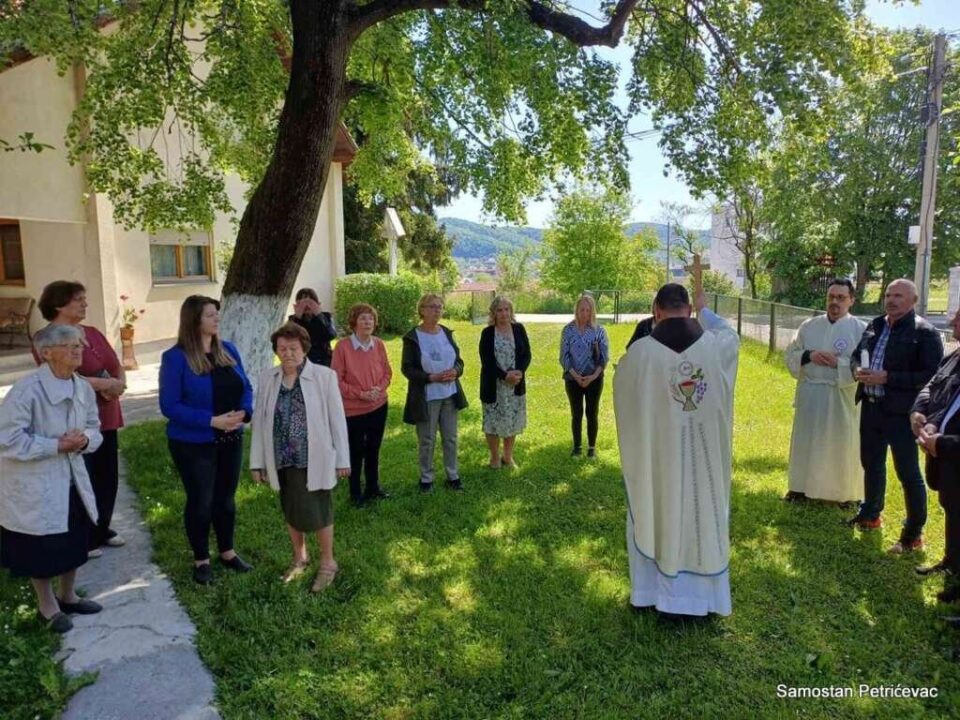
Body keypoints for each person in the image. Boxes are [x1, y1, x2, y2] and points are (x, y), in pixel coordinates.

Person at [614, 284, 739, 618]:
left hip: (660, 463)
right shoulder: (718, 346)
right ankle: (704, 599)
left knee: (658, 507)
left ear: (656, 310)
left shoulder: (639, 355)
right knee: (701, 516)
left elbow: (625, 395)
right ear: (687, 309)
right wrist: (705, 309)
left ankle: (653, 594)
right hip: (704, 464)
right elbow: (728, 332)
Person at [0, 324, 104, 633]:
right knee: (41, 546)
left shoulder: (82, 387)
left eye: (79, 345)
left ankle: (68, 595)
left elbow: (94, 427)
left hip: (71, 477)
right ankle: (47, 606)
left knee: (74, 538)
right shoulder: (26, 390)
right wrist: (56, 445)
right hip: (37, 482)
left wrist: (84, 440)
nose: (78, 350)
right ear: (46, 353)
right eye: (69, 345)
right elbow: (7, 439)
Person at [159, 296, 254, 584]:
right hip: (193, 442)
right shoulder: (175, 358)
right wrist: (212, 421)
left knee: (225, 499)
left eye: (216, 314)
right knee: (201, 500)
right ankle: (201, 559)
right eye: (210, 315)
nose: (217, 319)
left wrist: (244, 412)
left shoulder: (229, 349)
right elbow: (170, 405)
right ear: (194, 320)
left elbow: (245, 387)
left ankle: (227, 551)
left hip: (230, 438)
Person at [250, 322, 350, 591]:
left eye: (293, 348)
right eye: (282, 348)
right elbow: (260, 421)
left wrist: (343, 459)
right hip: (281, 457)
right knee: (290, 507)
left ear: (304, 348)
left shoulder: (324, 376)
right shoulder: (268, 378)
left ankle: (328, 563)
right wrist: (257, 462)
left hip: (314, 457)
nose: (288, 353)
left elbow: (337, 420)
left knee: (320, 509)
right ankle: (300, 557)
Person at [849, 279, 943, 554]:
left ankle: (912, 534)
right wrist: (857, 370)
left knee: (908, 473)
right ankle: (871, 515)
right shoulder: (875, 325)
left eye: (898, 296)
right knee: (871, 464)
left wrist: (887, 377)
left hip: (902, 414)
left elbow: (931, 377)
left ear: (913, 300)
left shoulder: (924, 333)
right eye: (889, 294)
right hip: (871, 406)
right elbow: (857, 355)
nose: (891, 300)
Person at [35, 281, 127, 556]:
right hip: (74, 418)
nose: (85, 304)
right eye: (79, 300)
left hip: (107, 412)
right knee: (81, 476)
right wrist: (101, 386)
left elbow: (115, 363)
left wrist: (118, 383)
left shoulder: (93, 333)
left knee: (107, 475)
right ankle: (84, 536)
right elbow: (56, 375)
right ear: (59, 304)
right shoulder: (47, 338)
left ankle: (102, 527)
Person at [783, 279, 866, 504]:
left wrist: (838, 364)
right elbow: (790, 355)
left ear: (851, 300)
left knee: (839, 444)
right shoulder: (809, 326)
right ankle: (799, 488)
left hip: (840, 396)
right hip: (811, 393)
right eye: (831, 297)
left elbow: (865, 366)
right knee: (806, 442)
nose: (835, 302)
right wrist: (809, 355)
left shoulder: (861, 330)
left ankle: (842, 495)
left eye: (841, 298)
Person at [911, 309, 960, 603]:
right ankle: (952, 564)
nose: (952, 320)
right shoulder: (954, 355)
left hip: (950, 449)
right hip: (947, 457)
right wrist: (923, 414)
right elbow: (934, 388)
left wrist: (943, 442)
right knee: (953, 510)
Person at [402, 293, 468, 492]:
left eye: (439, 306)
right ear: (421, 309)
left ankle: (452, 474)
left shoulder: (446, 333)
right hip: (426, 397)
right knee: (427, 439)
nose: (436, 310)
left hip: (449, 394)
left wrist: (456, 371)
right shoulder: (413, 337)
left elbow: (459, 361)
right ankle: (426, 478)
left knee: (450, 438)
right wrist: (430, 378)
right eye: (431, 306)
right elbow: (407, 369)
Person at [331, 303, 392, 506]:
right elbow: (336, 379)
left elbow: (387, 373)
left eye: (371, 318)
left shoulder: (379, 344)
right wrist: (360, 394)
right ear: (354, 322)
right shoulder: (342, 347)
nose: (368, 322)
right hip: (354, 410)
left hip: (378, 405)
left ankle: (373, 488)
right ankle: (355, 493)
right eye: (363, 318)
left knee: (374, 448)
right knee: (356, 451)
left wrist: (378, 390)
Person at [479, 296, 531, 468]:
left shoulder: (519, 329)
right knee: (492, 421)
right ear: (493, 313)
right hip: (494, 385)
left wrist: (518, 373)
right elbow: (487, 361)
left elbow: (526, 355)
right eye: (500, 310)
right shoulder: (487, 333)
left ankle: (508, 457)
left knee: (512, 419)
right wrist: (504, 376)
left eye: (507, 309)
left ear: (511, 311)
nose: (504, 314)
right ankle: (494, 458)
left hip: (515, 384)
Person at [559, 294, 609, 458]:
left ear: (592, 311)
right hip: (573, 378)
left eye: (588, 310)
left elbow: (604, 357)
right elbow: (563, 356)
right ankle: (577, 447)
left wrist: (592, 377)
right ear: (576, 310)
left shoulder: (599, 331)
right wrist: (575, 375)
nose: (585, 313)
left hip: (594, 378)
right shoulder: (568, 330)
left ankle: (592, 448)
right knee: (576, 413)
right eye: (582, 309)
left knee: (592, 413)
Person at [289, 288, 338, 367]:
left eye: (310, 302)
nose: (307, 306)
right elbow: (290, 338)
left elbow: (331, 335)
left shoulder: (326, 316)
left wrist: (319, 315)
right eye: (302, 302)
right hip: (301, 361)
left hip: (323, 360)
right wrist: (297, 317)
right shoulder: (293, 319)